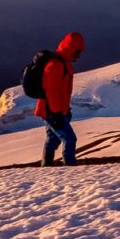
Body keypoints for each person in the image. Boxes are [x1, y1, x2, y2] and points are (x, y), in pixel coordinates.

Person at [36, 31, 85, 166]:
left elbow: (62, 92)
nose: (78, 55)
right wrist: (57, 114)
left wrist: (65, 110)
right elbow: (51, 92)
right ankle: (69, 168)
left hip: (54, 111)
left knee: (53, 140)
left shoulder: (63, 64)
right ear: (70, 48)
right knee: (70, 139)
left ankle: (46, 166)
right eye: (77, 51)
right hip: (52, 111)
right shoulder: (56, 65)